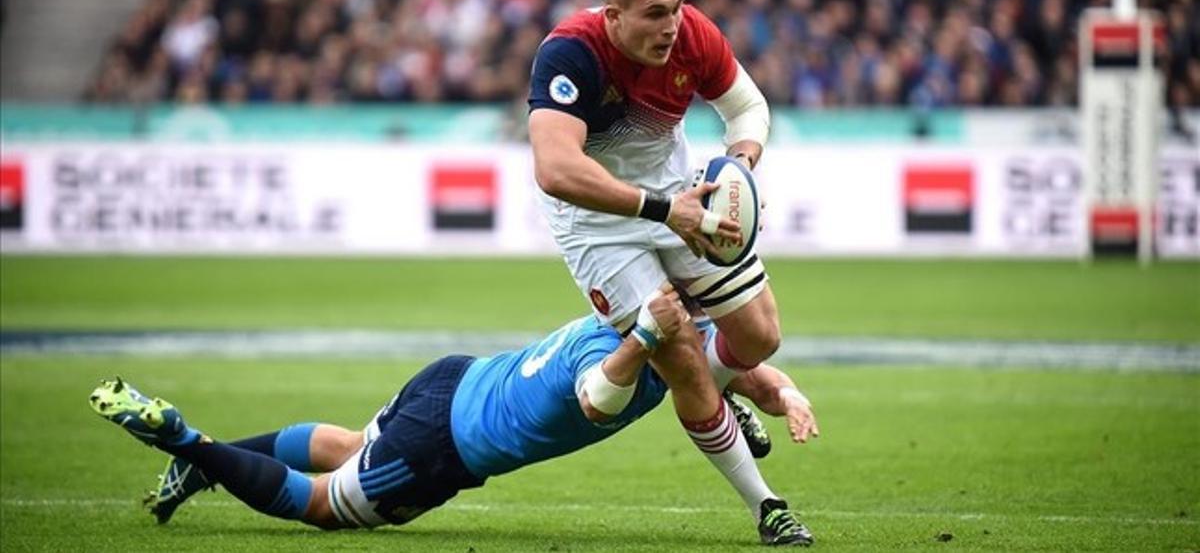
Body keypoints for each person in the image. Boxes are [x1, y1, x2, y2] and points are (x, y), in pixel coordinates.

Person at [90, 286, 819, 546]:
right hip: (442, 446)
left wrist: (782, 394)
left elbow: (739, 368)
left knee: (345, 442)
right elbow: (599, 396)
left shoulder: (657, 332)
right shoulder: (639, 354)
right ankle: (189, 438)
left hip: (452, 377)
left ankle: (196, 466)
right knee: (321, 505)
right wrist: (649, 338)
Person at [527, 0, 788, 510]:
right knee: (680, 357)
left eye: (676, 8)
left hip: (681, 200)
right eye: (654, 14)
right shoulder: (572, 53)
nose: (672, 25)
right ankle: (767, 506)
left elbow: (747, 109)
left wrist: (739, 168)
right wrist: (667, 210)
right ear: (613, 16)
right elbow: (555, 169)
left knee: (761, 334)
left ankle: (717, 391)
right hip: (597, 225)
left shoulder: (693, 32)